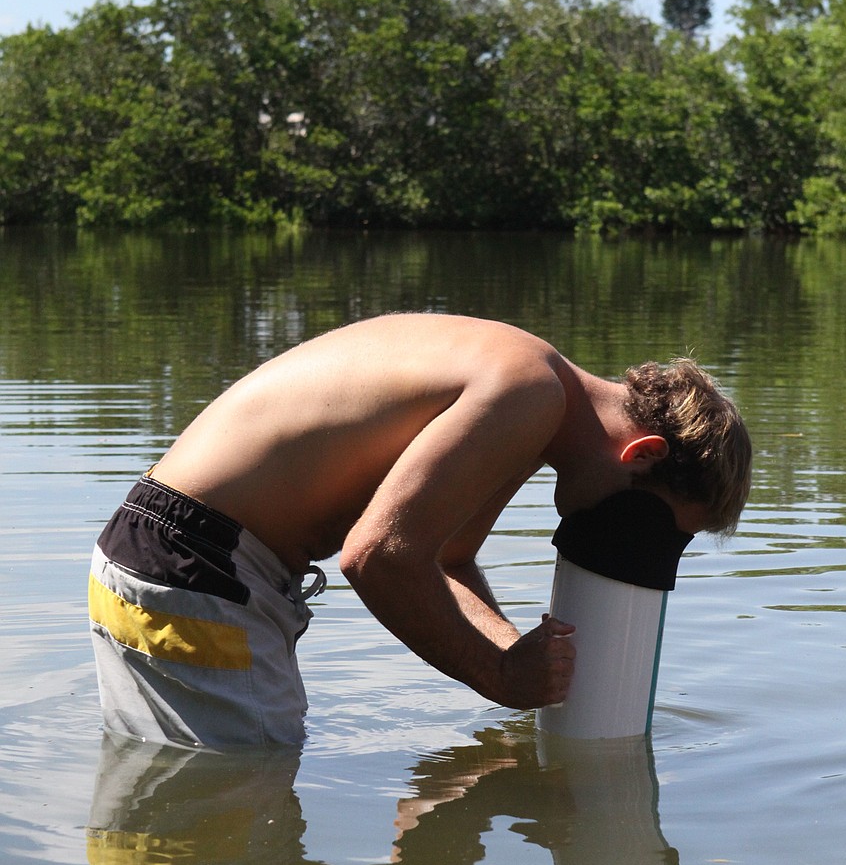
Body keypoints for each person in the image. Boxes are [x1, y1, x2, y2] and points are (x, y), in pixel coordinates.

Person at [89, 313, 751, 748]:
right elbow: (376, 556)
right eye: (648, 529)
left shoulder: (538, 395)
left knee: (208, 847)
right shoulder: (529, 393)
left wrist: (524, 661)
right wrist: (498, 674)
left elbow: (450, 559)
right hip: (200, 571)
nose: (634, 547)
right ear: (643, 456)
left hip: (175, 557)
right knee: (232, 840)